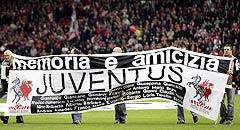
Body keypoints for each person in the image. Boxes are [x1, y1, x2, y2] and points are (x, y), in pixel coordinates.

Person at [0, 50, 24, 124]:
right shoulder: (3, 63)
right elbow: (3, 75)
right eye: (5, 55)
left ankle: (7, 118)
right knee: (15, 101)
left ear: (11, 55)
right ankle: (18, 118)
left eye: (7, 55)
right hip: (8, 83)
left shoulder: (15, 62)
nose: (6, 57)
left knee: (14, 101)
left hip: (16, 84)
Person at [219, 44, 239, 125]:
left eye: (227, 49)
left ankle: (229, 119)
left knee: (230, 103)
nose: (226, 51)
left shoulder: (235, 60)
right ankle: (224, 116)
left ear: (231, 50)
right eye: (225, 49)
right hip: (221, 83)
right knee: (220, 101)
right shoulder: (220, 59)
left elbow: (238, 70)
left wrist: (232, 73)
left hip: (231, 83)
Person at [112, 47, 127, 124]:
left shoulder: (124, 60)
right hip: (114, 83)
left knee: (121, 101)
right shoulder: (111, 61)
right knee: (116, 102)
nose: (112, 53)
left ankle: (123, 117)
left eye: (114, 51)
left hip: (121, 83)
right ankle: (117, 118)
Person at [70, 48, 82, 124]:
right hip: (71, 85)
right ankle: (75, 119)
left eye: (71, 53)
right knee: (72, 102)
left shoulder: (81, 63)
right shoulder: (69, 63)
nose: (70, 54)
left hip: (78, 85)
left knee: (77, 101)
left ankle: (77, 119)